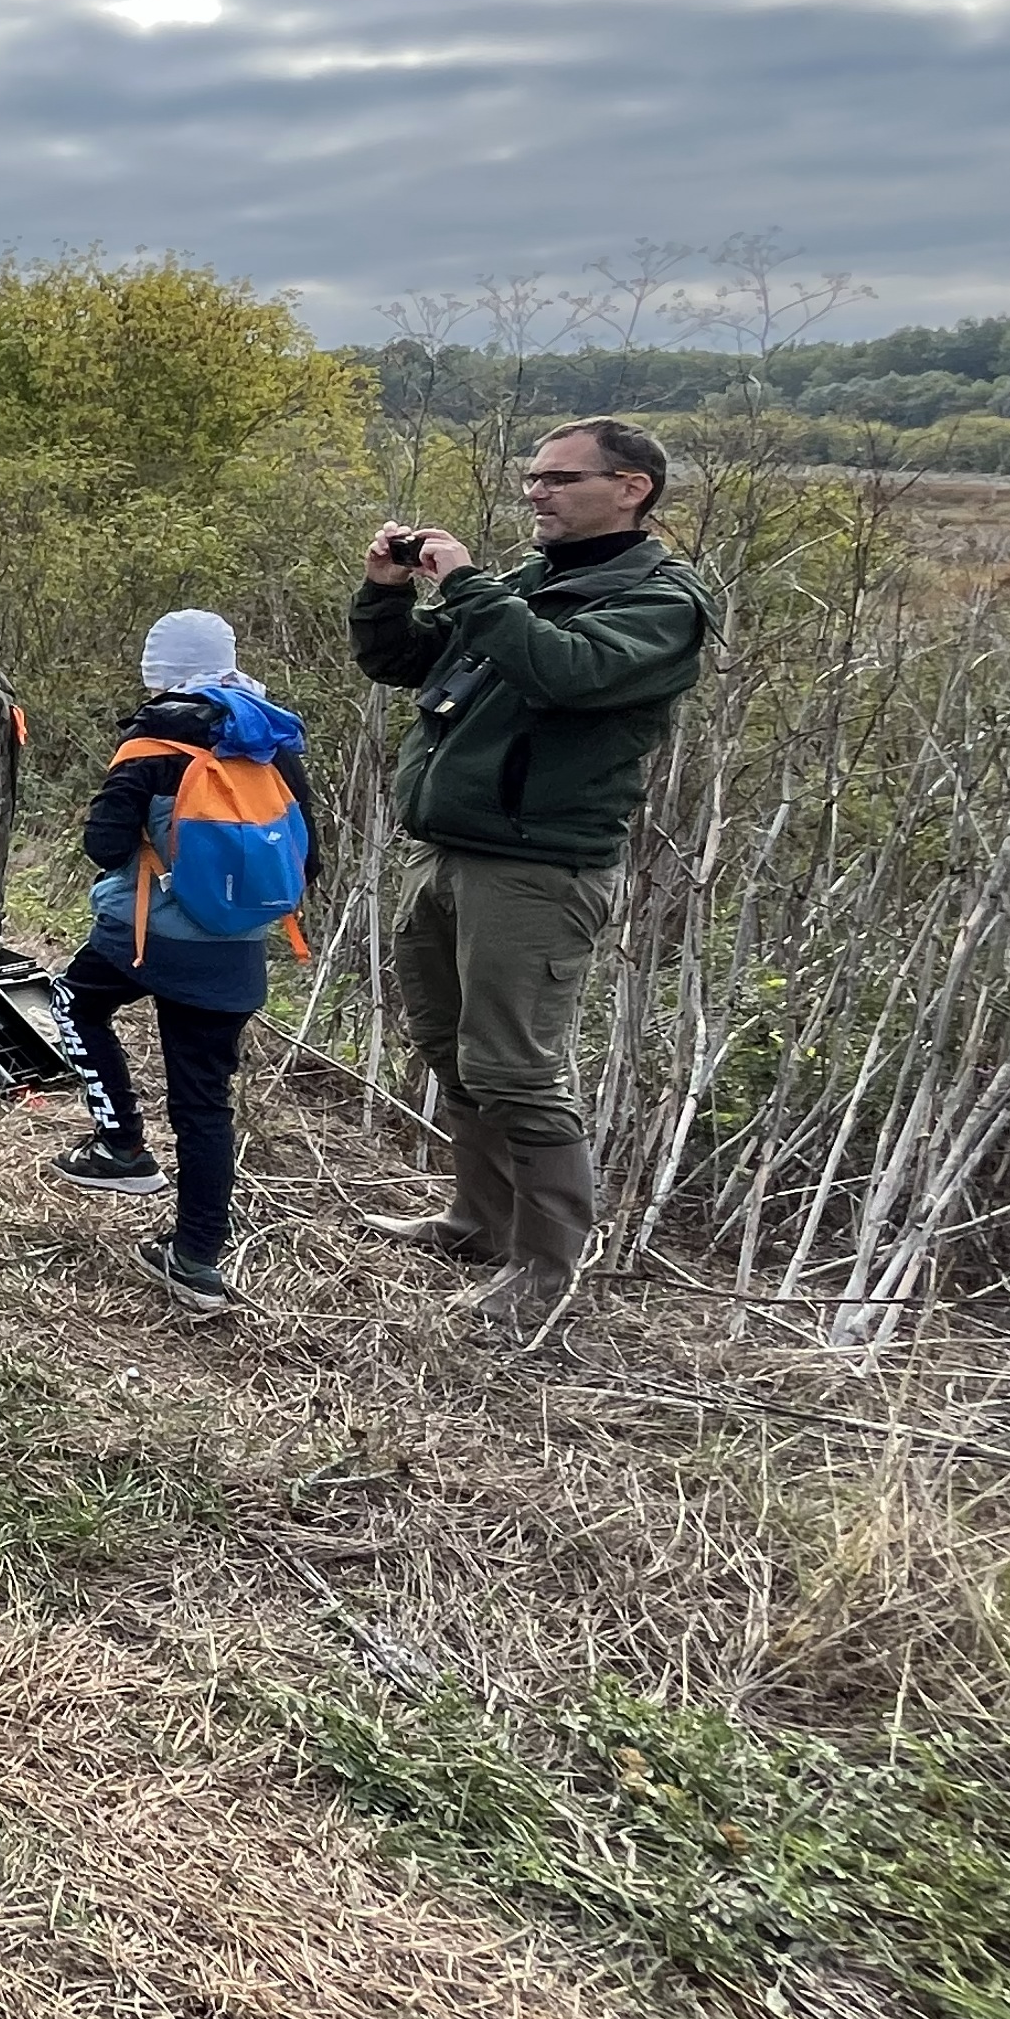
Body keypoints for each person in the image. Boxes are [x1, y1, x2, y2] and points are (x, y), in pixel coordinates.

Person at [350, 417, 712, 1333]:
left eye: (557, 478)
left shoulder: (661, 600)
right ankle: (477, 1224)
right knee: (446, 1041)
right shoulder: (530, 584)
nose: (536, 493)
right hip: (452, 850)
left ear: (631, 488)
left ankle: (546, 1273)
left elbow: (566, 674)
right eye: (531, 478)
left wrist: (467, 582)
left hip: (539, 869)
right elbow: (401, 662)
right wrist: (387, 593)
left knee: (516, 1067)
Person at [47, 611, 318, 1322]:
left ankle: (121, 1145)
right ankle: (196, 1260)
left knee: (74, 1004)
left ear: (156, 668)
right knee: (204, 1105)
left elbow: (105, 847)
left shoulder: (151, 740)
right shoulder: (271, 738)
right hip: (236, 949)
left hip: (147, 937)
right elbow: (306, 858)